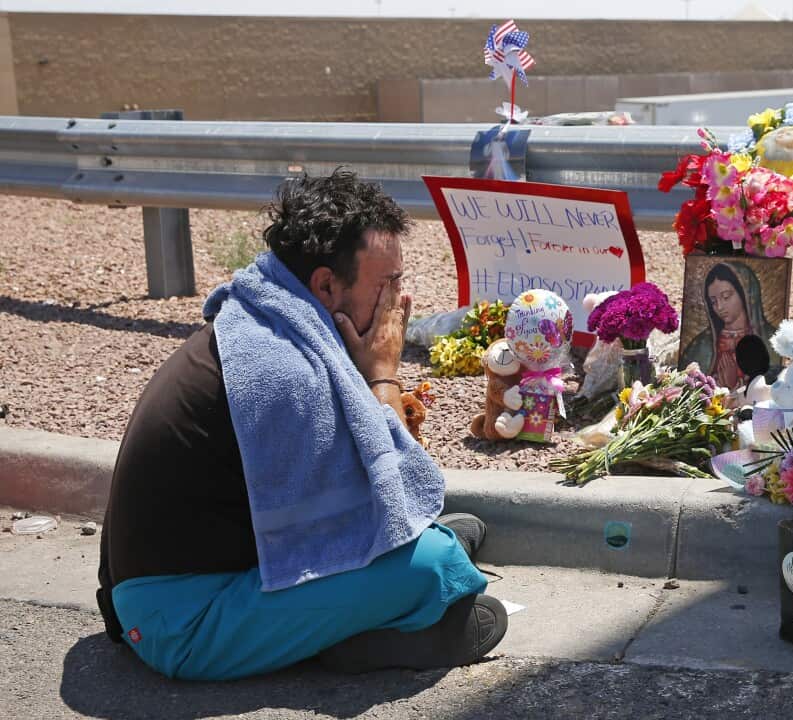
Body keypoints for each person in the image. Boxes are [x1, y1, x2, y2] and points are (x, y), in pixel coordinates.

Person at [96, 169, 506, 681]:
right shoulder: (285, 370)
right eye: (388, 284)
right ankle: (347, 641)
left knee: (428, 544)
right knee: (437, 564)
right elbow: (393, 497)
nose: (397, 303)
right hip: (185, 625)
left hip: (175, 590)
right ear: (326, 285)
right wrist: (383, 374)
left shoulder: (264, 319)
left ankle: (348, 624)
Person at [681, 261, 779, 389]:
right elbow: (686, 388)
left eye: (726, 297)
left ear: (745, 294)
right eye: (713, 301)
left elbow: (774, 389)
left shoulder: (773, 341)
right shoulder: (702, 345)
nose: (719, 307)